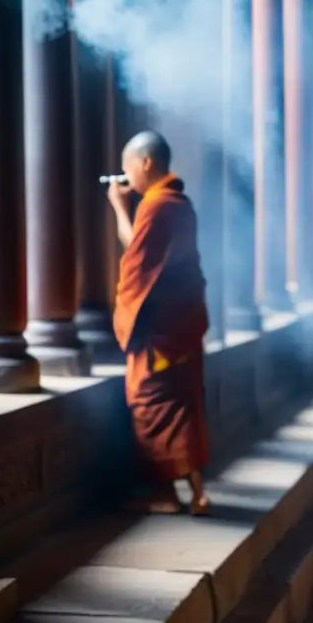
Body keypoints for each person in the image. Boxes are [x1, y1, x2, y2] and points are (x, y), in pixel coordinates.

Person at [109, 130, 211, 515]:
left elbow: (136, 262)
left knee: (150, 404)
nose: (125, 175)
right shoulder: (179, 203)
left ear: (146, 162)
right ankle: (197, 492)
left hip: (160, 331)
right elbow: (148, 258)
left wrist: (120, 208)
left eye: (127, 167)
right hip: (180, 324)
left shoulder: (155, 206)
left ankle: (169, 495)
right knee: (184, 410)